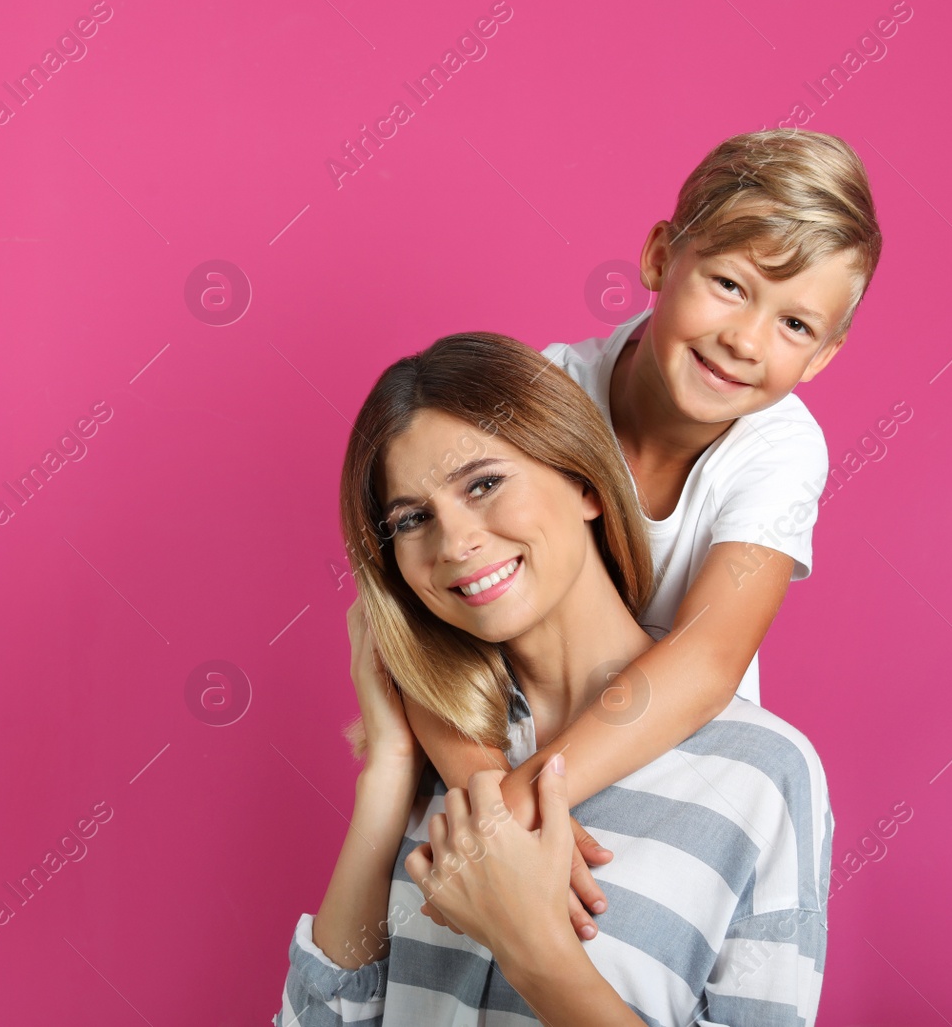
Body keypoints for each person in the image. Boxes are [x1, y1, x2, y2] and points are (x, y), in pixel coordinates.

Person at [400, 129, 878, 944]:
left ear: (826, 356)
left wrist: (520, 807)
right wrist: (485, 794)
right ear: (660, 258)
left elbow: (704, 659)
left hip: (676, 771)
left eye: (795, 325)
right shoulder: (546, 396)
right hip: (507, 749)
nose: (747, 339)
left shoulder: (782, 445)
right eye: (729, 283)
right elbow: (410, 613)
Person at [273, 331, 833, 1024]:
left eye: (483, 483)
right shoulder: (435, 746)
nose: (454, 543)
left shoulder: (762, 776)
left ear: (584, 481)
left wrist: (533, 946)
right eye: (413, 519)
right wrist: (386, 775)